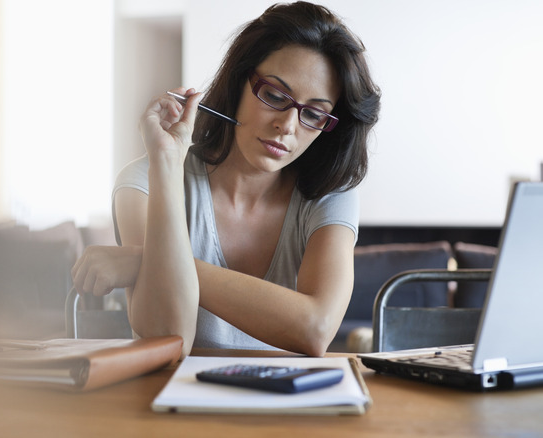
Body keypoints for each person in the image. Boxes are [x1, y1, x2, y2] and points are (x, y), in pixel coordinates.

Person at [71, 1, 381, 357]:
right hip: (172, 403)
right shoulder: (144, 180)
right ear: (238, 83)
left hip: (287, 404)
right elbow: (167, 338)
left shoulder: (330, 194)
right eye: (275, 95)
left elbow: (316, 329)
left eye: (313, 114)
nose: (288, 126)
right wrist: (167, 165)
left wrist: (148, 261)